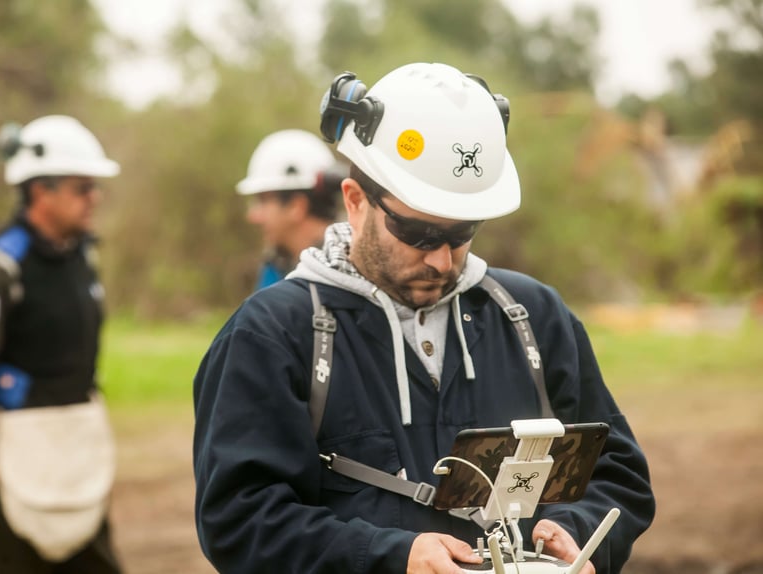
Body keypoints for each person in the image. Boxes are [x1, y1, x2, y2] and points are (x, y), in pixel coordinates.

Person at [193, 63, 655, 573]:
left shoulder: (533, 318)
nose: (441, 260)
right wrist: (391, 558)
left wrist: (579, 532)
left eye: (462, 233)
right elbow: (239, 521)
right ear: (355, 202)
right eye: (418, 233)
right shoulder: (273, 335)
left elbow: (617, 473)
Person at [0, 114, 123, 573]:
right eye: (82, 187)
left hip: (73, 448)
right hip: (11, 455)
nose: (93, 198)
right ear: (41, 190)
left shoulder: (82, 258)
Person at [236, 129, 346, 290]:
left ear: (296, 206)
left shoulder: (349, 275)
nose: (253, 216)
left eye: (262, 202)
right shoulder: (276, 266)